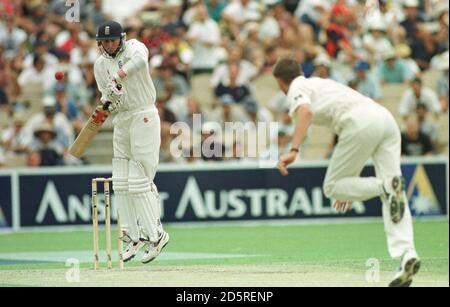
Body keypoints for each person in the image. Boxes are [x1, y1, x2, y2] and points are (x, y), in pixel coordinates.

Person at [272, 57, 420, 287]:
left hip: (360, 123)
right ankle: (407, 253)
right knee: (395, 193)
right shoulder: (320, 83)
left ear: (280, 82)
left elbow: (305, 111)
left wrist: (293, 149)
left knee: (333, 187)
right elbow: (362, 130)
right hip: (384, 119)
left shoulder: (296, 87)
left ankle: (385, 186)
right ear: (300, 70)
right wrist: (351, 188)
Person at [93, 21, 169, 264]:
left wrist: (118, 76)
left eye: (113, 40)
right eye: (104, 41)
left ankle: (156, 235)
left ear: (121, 38)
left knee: (139, 181)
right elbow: (108, 97)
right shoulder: (99, 65)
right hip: (122, 119)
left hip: (143, 114)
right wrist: (109, 99)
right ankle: (133, 236)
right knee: (121, 181)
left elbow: (140, 63)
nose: (109, 44)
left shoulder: (135, 47)